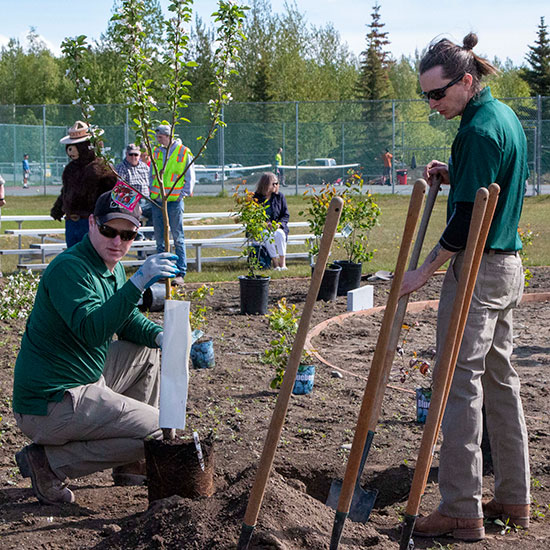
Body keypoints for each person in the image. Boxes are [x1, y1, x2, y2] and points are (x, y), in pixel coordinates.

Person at [400, 33, 530, 541]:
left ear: (467, 81)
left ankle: (460, 506)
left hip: (477, 269)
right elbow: (490, 181)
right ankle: (516, 497)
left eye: (438, 95)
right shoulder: (503, 118)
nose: (433, 105)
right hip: (507, 266)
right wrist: (455, 173)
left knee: (458, 383)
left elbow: (466, 222)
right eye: (426, 96)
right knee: (500, 379)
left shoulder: (477, 131)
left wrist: (423, 272)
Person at [13, 190, 179, 505]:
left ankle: (128, 461)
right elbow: (91, 330)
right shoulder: (70, 270)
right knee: (160, 429)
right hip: (49, 403)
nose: (118, 241)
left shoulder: (110, 265)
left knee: (146, 353)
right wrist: (139, 281)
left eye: (127, 234)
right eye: (109, 231)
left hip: (81, 380)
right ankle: (50, 463)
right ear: (92, 223)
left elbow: (127, 321)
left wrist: (163, 338)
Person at [51, 121, 117, 247]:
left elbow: (111, 194)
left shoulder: (101, 168)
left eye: (77, 145)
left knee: (90, 254)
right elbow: (66, 191)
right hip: (71, 221)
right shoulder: (70, 169)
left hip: (91, 220)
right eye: (69, 146)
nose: (70, 149)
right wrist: (59, 207)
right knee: (73, 256)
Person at [150, 124, 195, 285]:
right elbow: (152, 173)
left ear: (168, 136)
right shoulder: (156, 151)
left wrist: (182, 194)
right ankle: (163, 272)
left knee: (178, 238)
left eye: (160, 136)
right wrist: (151, 192)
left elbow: (189, 175)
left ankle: (180, 272)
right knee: (160, 239)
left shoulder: (183, 152)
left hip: (174, 202)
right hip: (157, 201)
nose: (158, 139)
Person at [253, 172, 290, 270]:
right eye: (273, 183)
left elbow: (285, 215)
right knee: (267, 235)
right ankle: (275, 263)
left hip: (276, 226)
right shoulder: (255, 198)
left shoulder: (279, 196)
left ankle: (283, 263)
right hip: (262, 228)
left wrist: (279, 224)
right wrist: (264, 224)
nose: (276, 186)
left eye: (277, 183)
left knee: (280, 234)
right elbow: (253, 216)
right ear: (265, 184)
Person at [115, 143, 153, 230]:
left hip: (146, 200)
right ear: (126, 154)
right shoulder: (121, 168)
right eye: (131, 154)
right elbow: (120, 189)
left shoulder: (145, 167)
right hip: (128, 201)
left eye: (136, 154)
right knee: (132, 213)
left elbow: (151, 184)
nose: (133, 157)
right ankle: (137, 236)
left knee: (158, 211)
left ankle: (149, 237)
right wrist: (134, 205)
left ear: (140, 155)